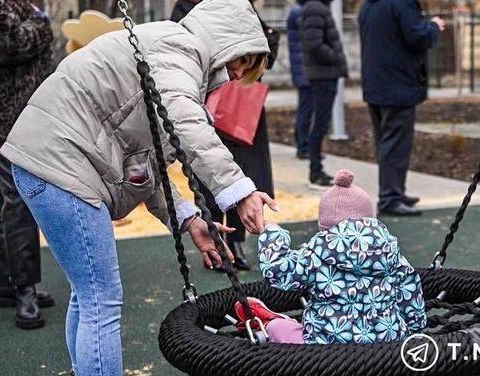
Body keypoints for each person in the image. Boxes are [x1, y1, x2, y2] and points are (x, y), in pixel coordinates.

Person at [1, 0, 276, 376]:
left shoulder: (167, 55)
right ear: (225, 42)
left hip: (48, 161)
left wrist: (191, 220)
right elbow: (187, 124)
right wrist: (238, 190)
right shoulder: (175, 49)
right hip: (61, 164)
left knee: (88, 294)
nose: (237, 74)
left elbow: (145, 169)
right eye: (241, 61)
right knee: (102, 298)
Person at [235, 170, 426, 344]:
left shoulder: (317, 253)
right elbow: (411, 292)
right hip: (386, 343)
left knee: (278, 329)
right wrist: (414, 329)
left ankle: (273, 322)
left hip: (325, 348)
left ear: (325, 228)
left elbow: (279, 273)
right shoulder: (391, 251)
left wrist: (271, 233)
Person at [171, 0, 278, 272]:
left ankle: (238, 239)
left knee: (246, 171)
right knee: (209, 168)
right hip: (208, 104)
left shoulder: (241, 5)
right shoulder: (189, 6)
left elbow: (267, 54)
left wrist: (265, 35)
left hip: (243, 110)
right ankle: (218, 237)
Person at [0, 0, 56, 329]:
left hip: (12, 112)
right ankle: (24, 291)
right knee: (19, 197)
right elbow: (10, 43)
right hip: (4, 115)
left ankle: (10, 283)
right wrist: (42, 24)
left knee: (9, 196)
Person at [358, 0, 444, 216]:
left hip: (376, 84)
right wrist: (434, 26)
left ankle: (394, 191)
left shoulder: (368, 5)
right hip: (398, 84)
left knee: (385, 142)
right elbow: (417, 36)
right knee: (396, 144)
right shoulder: (402, 3)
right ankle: (390, 198)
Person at [299, 0, 348, 188]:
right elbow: (315, 44)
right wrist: (335, 58)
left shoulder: (315, 8)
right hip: (323, 75)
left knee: (320, 123)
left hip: (323, 74)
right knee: (320, 123)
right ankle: (316, 172)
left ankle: (317, 170)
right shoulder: (316, 9)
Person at [287, 0, 311, 159]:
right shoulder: (299, 12)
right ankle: (303, 146)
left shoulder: (297, 11)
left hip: (303, 68)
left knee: (306, 108)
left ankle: (303, 144)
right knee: (307, 109)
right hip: (305, 69)